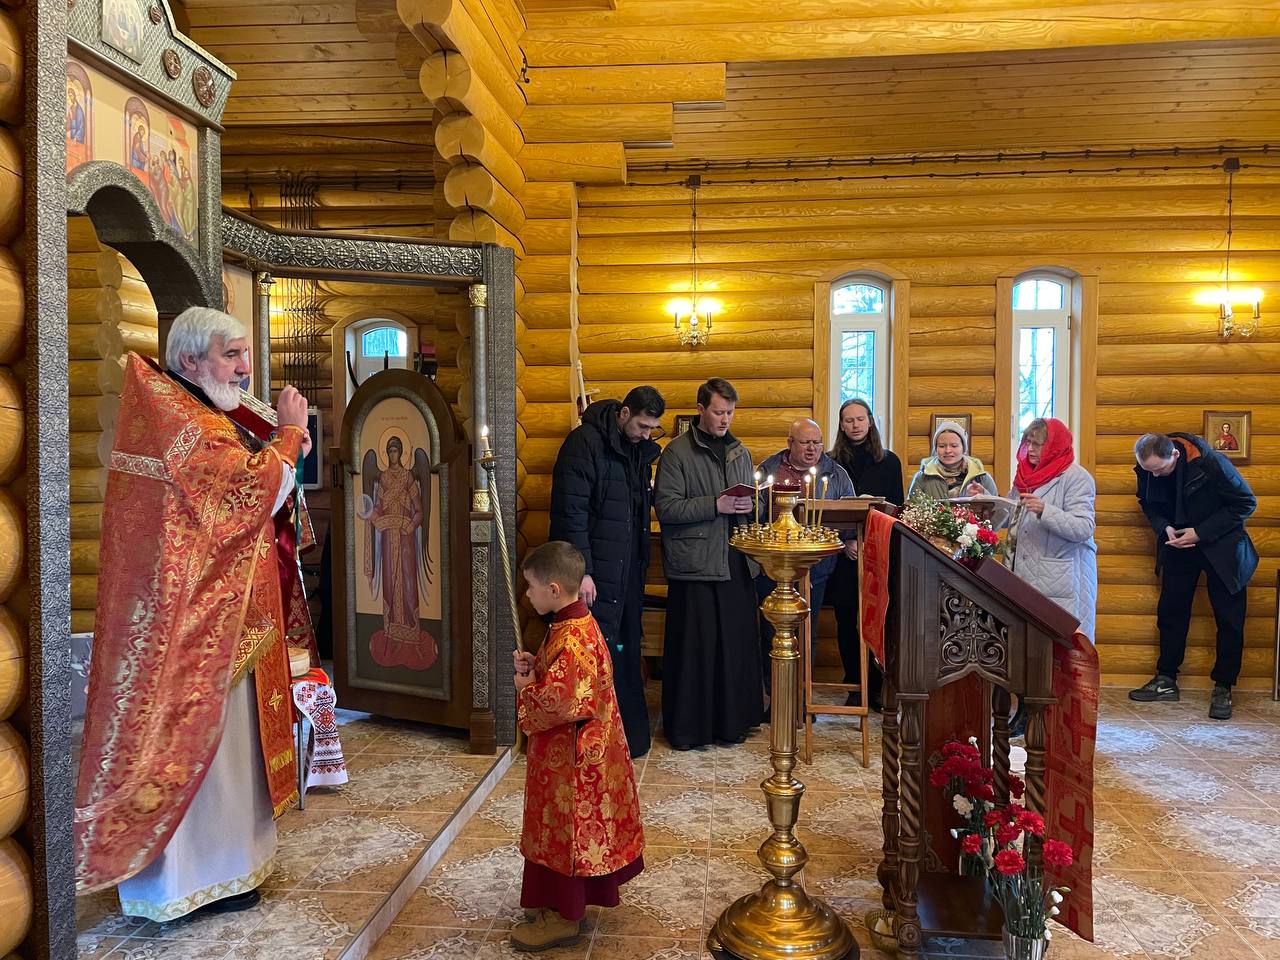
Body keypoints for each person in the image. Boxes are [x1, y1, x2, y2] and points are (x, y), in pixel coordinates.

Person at [75, 306, 314, 920]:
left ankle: (229, 870)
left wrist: (280, 449)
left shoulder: (199, 412)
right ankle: (183, 884)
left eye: (244, 354)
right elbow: (247, 492)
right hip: (193, 624)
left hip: (223, 615)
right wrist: (289, 435)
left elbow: (252, 497)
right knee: (196, 749)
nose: (245, 367)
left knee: (229, 755)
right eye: (231, 354)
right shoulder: (186, 421)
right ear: (189, 359)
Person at [511, 541, 644, 952]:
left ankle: (565, 916)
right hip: (571, 753)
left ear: (553, 589)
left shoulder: (572, 638)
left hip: (573, 760)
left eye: (531, 587)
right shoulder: (573, 623)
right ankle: (551, 900)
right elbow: (566, 680)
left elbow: (563, 702)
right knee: (553, 828)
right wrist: (536, 667)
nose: (527, 595)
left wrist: (526, 690)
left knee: (565, 833)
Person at [549, 386, 664, 758]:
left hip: (626, 572)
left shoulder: (634, 450)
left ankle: (622, 739)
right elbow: (570, 512)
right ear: (624, 414)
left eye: (653, 429)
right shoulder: (584, 443)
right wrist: (580, 572)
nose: (647, 435)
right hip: (593, 575)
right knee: (588, 654)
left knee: (621, 650)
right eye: (643, 426)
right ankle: (587, 740)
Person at [653, 377, 760, 749]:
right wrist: (716, 504)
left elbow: (754, 503)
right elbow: (667, 508)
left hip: (736, 561)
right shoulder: (677, 453)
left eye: (730, 412)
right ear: (700, 410)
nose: (725, 419)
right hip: (695, 565)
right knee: (696, 651)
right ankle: (690, 729)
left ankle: (733, 724)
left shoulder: (740, 452)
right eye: (718, 412)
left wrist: (751, 504)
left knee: (734, 648)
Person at [1129, 432, 1258, 720]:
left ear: (1175, 455)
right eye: (1149, 471)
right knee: (1171, 612)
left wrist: (1200, 533)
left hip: (1222, 546)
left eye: (1159, 470)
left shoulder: (1212, 463)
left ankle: (1223, 687)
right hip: (1178, 544)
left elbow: (1245, 504)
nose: (1154, 476)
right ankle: (1166, 679)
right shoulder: (1148, 466)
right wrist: (1163, 527)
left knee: (1229, 618)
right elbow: (1147, 502)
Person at [755, 418, 855, 701]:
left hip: (815, 569)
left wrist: (849, 538)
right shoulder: (770, 469)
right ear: (790, 443)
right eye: (805, 442)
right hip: (774, 566)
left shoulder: (836, 474)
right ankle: (775, 698)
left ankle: (801, 699)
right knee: (770, 632)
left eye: (817, 443)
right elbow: (756, 513)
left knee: (807, 634)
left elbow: (850, 513)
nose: (812, 448)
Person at [827, 398, 904, 709]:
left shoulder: (889, 462)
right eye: (849, 420)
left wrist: (872, 543)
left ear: (870, 421)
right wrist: (844, 541)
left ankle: (877, 685)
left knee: (878, 620)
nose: (855, 425)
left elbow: (895, 511)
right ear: (841, 425)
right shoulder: (831, 463)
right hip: (843, 555)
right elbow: (826, 510)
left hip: (877, 553)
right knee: (847, 621)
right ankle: (854, 684)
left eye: (860, 419)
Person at [908, 419, 997, 500]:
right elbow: (911, 509)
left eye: (954, 446)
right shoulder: (922, 478)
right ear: (936, 449)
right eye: (942, 446)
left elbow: (1000, 511)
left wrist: (984, 496)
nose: (948, 450)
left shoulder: (982, 478)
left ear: (963, 448)